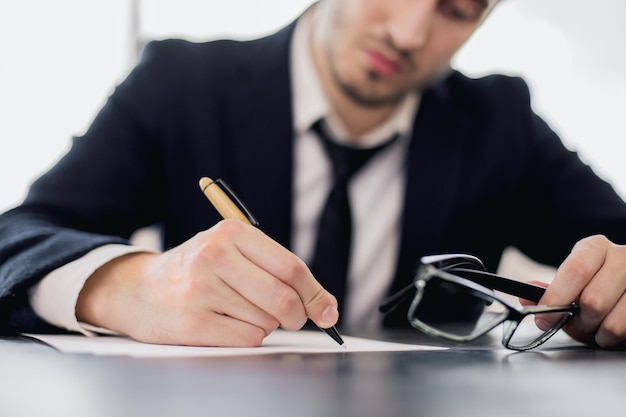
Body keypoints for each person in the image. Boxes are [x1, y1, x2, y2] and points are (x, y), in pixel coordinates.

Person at [1, 0, 626, 349]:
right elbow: (18, 238)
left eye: (457, 8)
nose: (409, 32)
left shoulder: (500, 122)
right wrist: (124, 286)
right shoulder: (179, 85)